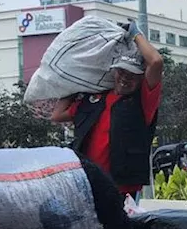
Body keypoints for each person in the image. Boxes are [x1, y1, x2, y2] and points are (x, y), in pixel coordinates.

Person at [51, 20, 164, 198]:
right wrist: (78, 83)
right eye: (121, 72)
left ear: (141, 78)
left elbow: (156, 61)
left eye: (132, 75)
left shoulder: (142, 102)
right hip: (89, 184)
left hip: (122, 189)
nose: (125, 78)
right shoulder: (94, 99)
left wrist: (135, 33)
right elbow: (57, 115)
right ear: (113, 72)